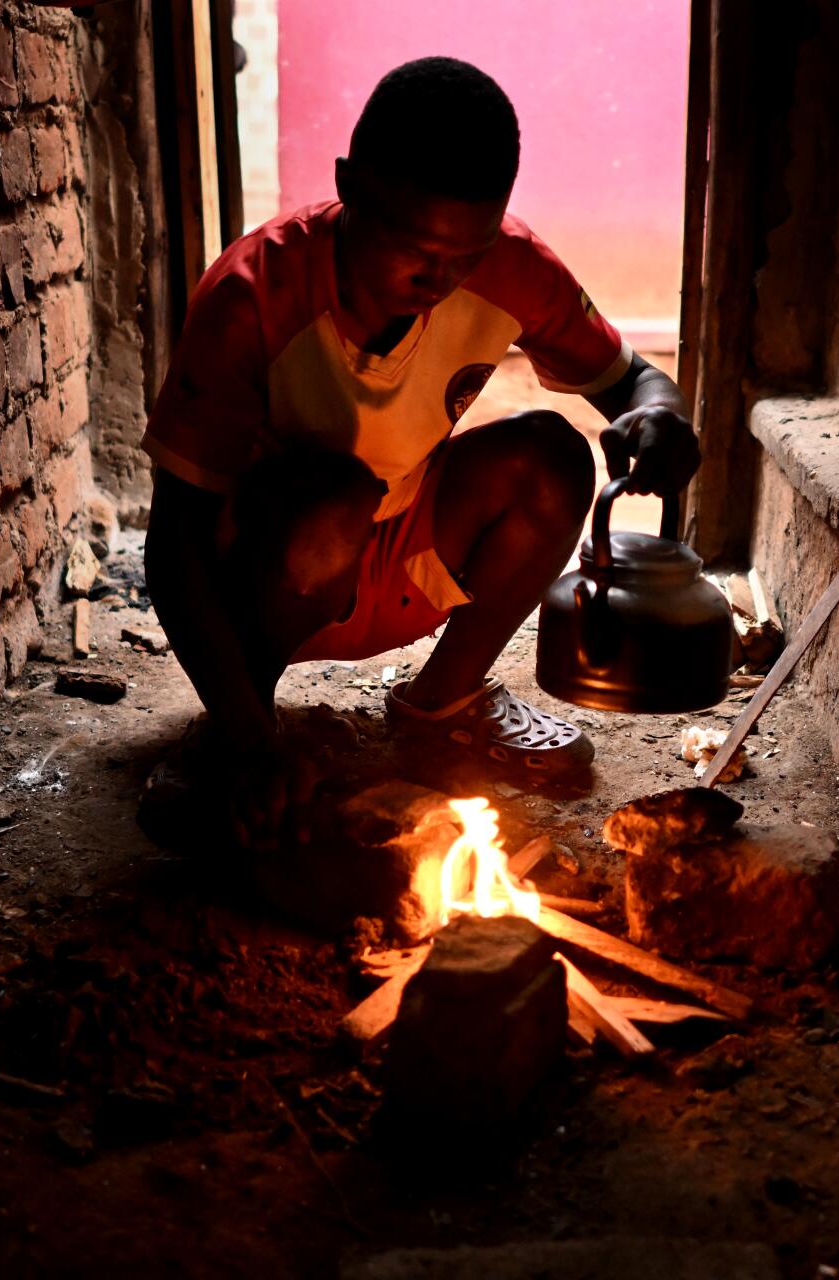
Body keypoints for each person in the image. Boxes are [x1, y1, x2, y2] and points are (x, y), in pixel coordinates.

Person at [142, 56, 699, 850]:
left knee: (551, 455)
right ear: (350, 186)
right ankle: (241, 724)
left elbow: (635, 381)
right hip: (270, 580)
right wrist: (246, 740)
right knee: (334, 498)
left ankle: (443, 703)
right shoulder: (252, 296)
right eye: (412, 247)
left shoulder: (513, 267)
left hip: (399, 563)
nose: (437, 279)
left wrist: (662, 416)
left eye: (464, 257)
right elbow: (177, 544)